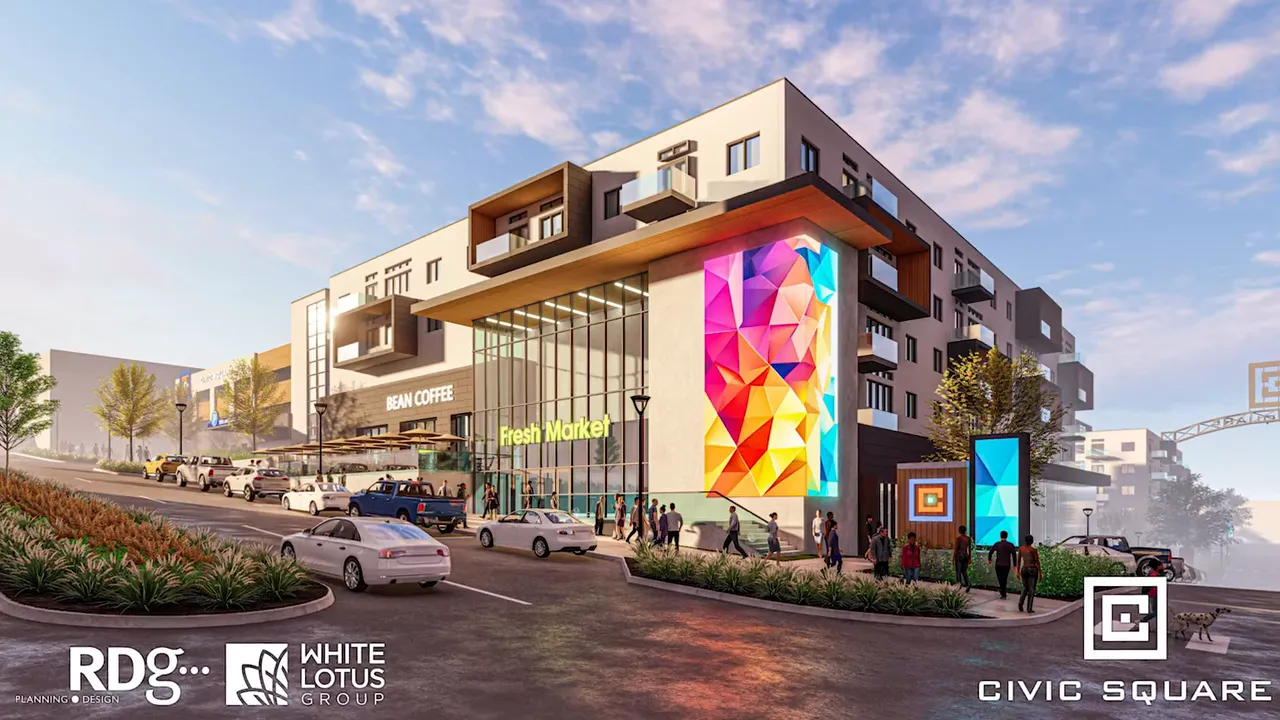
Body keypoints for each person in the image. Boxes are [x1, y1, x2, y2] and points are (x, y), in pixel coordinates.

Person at [987, 530, 1018, 599]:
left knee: (1000, 578)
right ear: (1007, 536)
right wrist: (1015, 565)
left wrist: (989, 559)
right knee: (1004, 578)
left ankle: (1002, 592)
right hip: (1006, 565)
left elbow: (991, 551)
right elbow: (1014, 555)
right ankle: (1003, 592)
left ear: (1000, 536)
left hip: (998, 564)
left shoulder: (997, 544)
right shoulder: (1010, 545)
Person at [1018, 535, 1041, 613]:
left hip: (1024, 569)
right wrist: (1040, 573)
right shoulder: (1033, 550)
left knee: (1025, 587)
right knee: (1031, 589)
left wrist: (1017, 572)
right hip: (1032, 569)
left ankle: (1020, 602)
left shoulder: (1021, 549)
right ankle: (1029, 608)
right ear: (1032, 541)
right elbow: (1037, 562)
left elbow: (1018, 561)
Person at [954, 525, 973, 593]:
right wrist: (970, 558)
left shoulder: (958, 538)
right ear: (965, 531)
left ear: (959, 531)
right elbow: (969, 549)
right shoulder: (968, 538)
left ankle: (959, 583)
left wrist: (953, 558)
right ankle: (967, 584)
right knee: (964, 571)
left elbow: (956, 549)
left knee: (958, 571)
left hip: (959, 555)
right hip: (966, 555)